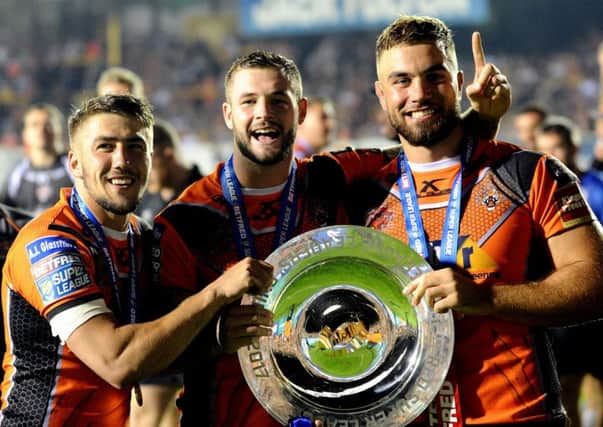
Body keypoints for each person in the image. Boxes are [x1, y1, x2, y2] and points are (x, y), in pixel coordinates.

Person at [154, 42, 510, 426]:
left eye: (278, 101)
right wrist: (216, 335)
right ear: (227, 114)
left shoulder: (334, 177)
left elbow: (423, 156)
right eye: (248, 102)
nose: (264, 114)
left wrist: (483, 118)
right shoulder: (186, 218)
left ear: (301, 111)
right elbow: (154, 351)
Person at [369, 15, 603, 426]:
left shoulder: (528, 173)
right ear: (381, 93)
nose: (418, 93)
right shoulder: (361, 192)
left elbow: (598, 282)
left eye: (434, 76)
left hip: (518, 417)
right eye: (401, 80)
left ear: (459, 83)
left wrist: (487, 298)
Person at [0, 94, 273, 425]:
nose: (122, 160)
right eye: (105, 147)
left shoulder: (140, 237)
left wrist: (215, 337)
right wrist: (215, 293)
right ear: (74, 163)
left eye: (135, 146)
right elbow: (118, 362)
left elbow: (160, 341)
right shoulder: (52, 243)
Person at [534, 116, 603, 427]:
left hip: (599, 303)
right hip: (563, 305)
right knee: (567, 387)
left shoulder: (597, 188)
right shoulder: (534, 197)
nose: (553, 157)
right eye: (545, 150)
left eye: (558, 147)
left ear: (574, 147)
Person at [0, 103, 73, 215]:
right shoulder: (16, 175)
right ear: (24, 133)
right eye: (34, 124)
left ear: (59, 130)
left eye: (48, 124)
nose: (41, 130)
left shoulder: (73, 167)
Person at [136, 119, 203, 222]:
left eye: (148, 164)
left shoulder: (208, 194)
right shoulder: (142, 202)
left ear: (168, 154)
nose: (143, 174)